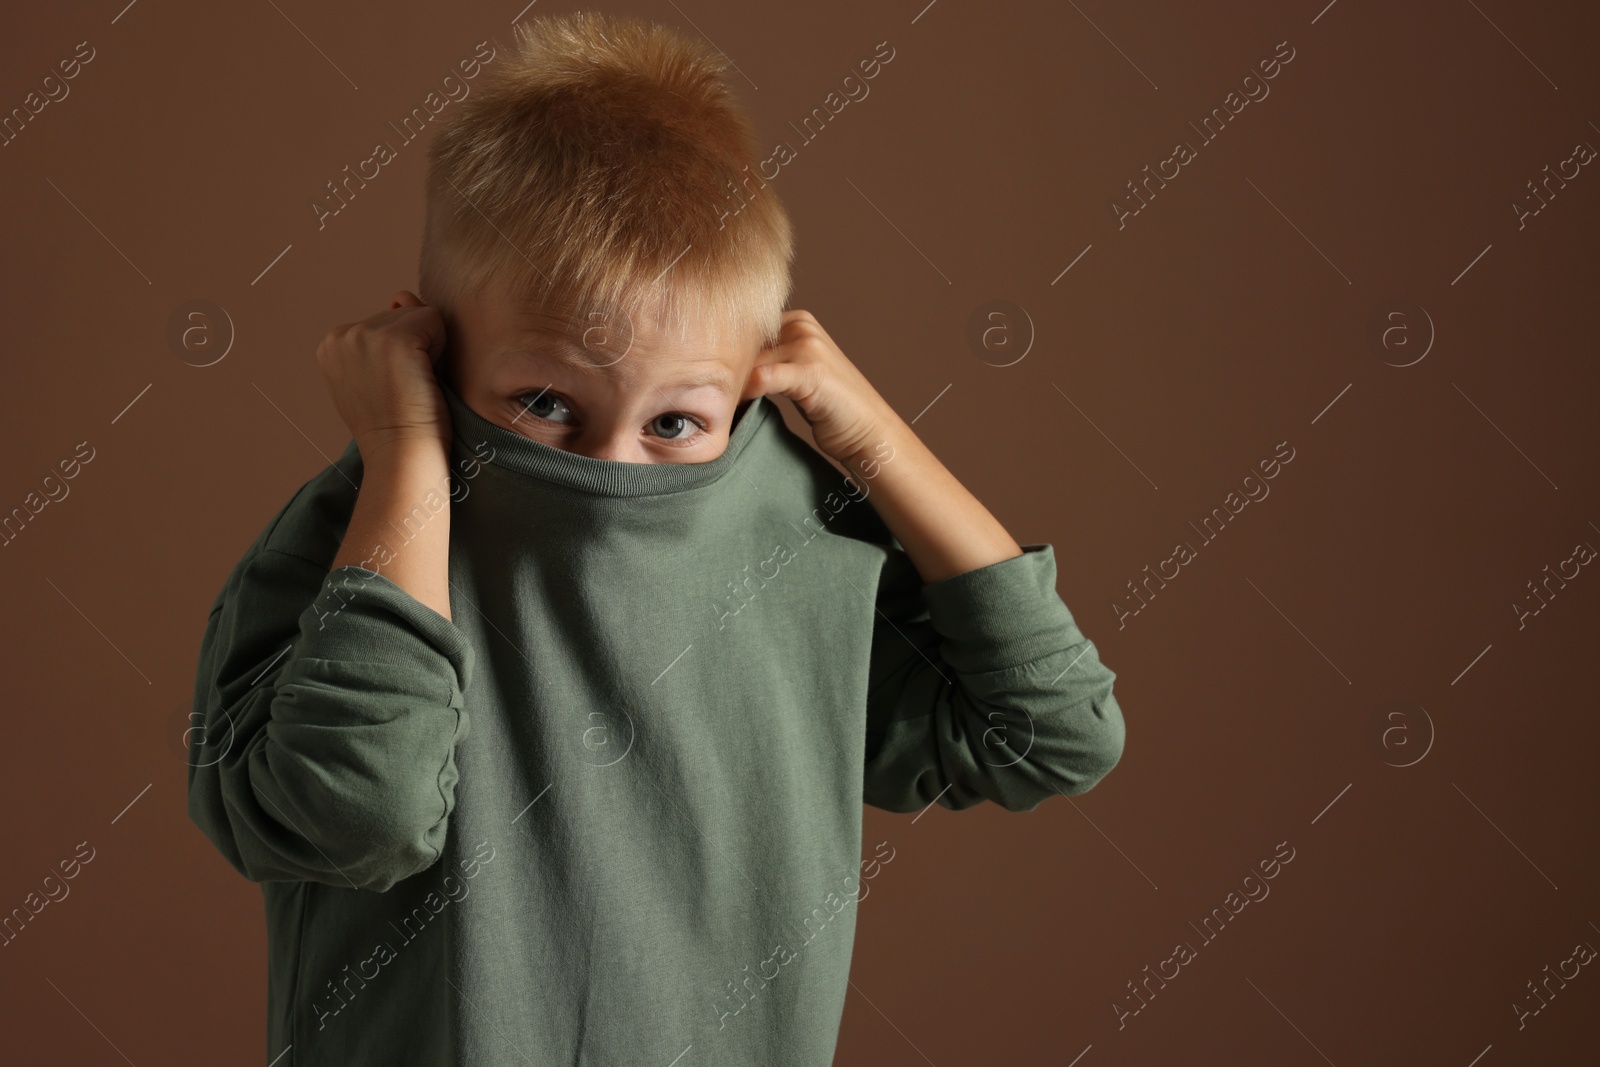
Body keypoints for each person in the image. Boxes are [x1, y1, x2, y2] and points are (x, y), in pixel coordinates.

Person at [185, 11, 1125, 1066]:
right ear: (424, 344)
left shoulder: (791, 536)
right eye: (543, 401)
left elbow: (1050, 731)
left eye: (675, 419)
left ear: (748, 385)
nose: (609, 469)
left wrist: (876, 440)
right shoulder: (341, 544)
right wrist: (405, 452)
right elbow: (355, 816)